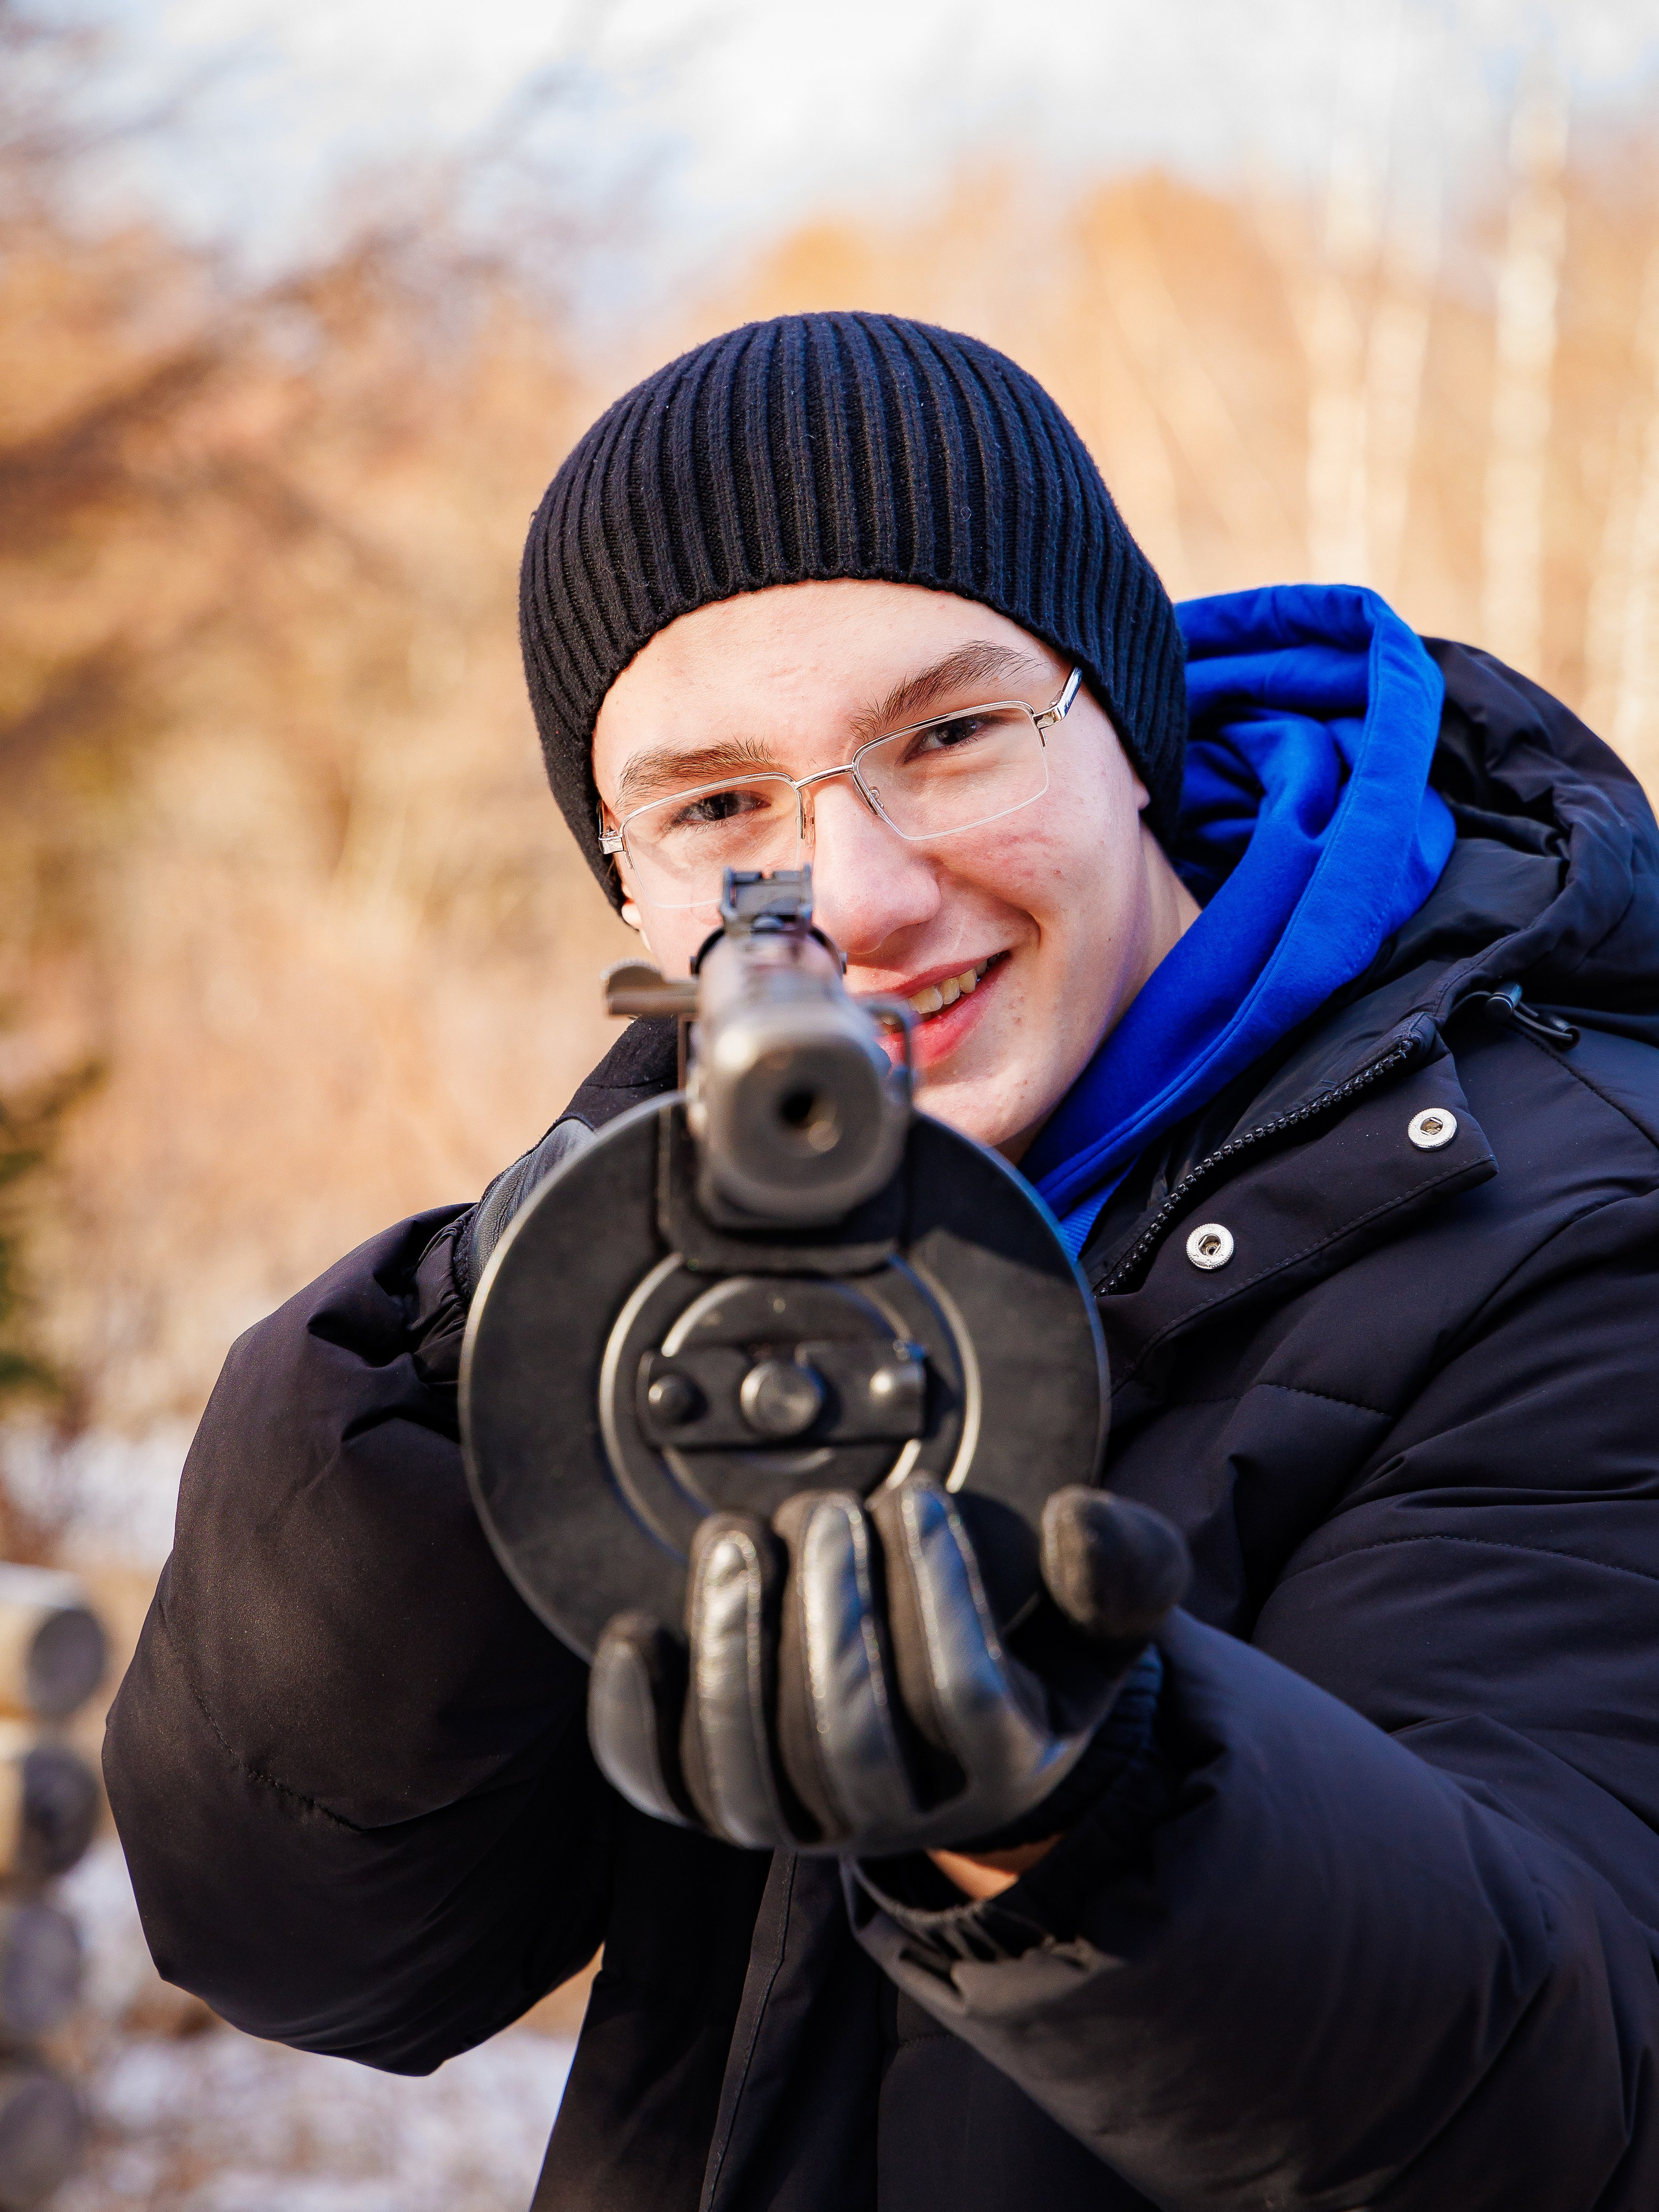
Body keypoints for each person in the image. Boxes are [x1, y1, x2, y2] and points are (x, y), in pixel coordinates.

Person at [106, 312, 1659, 2211]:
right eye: (718, 807)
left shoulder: (1579, 1222)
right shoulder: (677, 1215)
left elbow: (1580, 2104)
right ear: (627, 882)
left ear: (1128, 732)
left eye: (948, 736)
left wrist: (1081, 1819)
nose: (856, 895)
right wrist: (463, 1364)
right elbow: (314, 1949)